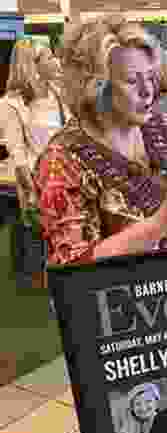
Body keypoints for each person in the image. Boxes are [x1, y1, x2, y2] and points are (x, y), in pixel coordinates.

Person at [34, 14, 167, 267]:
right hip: (120, 301)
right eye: (132, 81)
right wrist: (158, 224)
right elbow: (73, 268)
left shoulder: (161, 126)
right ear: (93, 87)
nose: (148, 91)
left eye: (151, 76)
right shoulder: (62, 160)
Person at [0, 38, 68, 287]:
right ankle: (30, 274)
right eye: (49, 57)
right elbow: (17, 153)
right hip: (34, 177)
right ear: (33, 65)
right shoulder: (10, 104)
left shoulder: (60, 95)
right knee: (31, 228)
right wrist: (30, 189)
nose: (55, 61)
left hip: (61, 173)